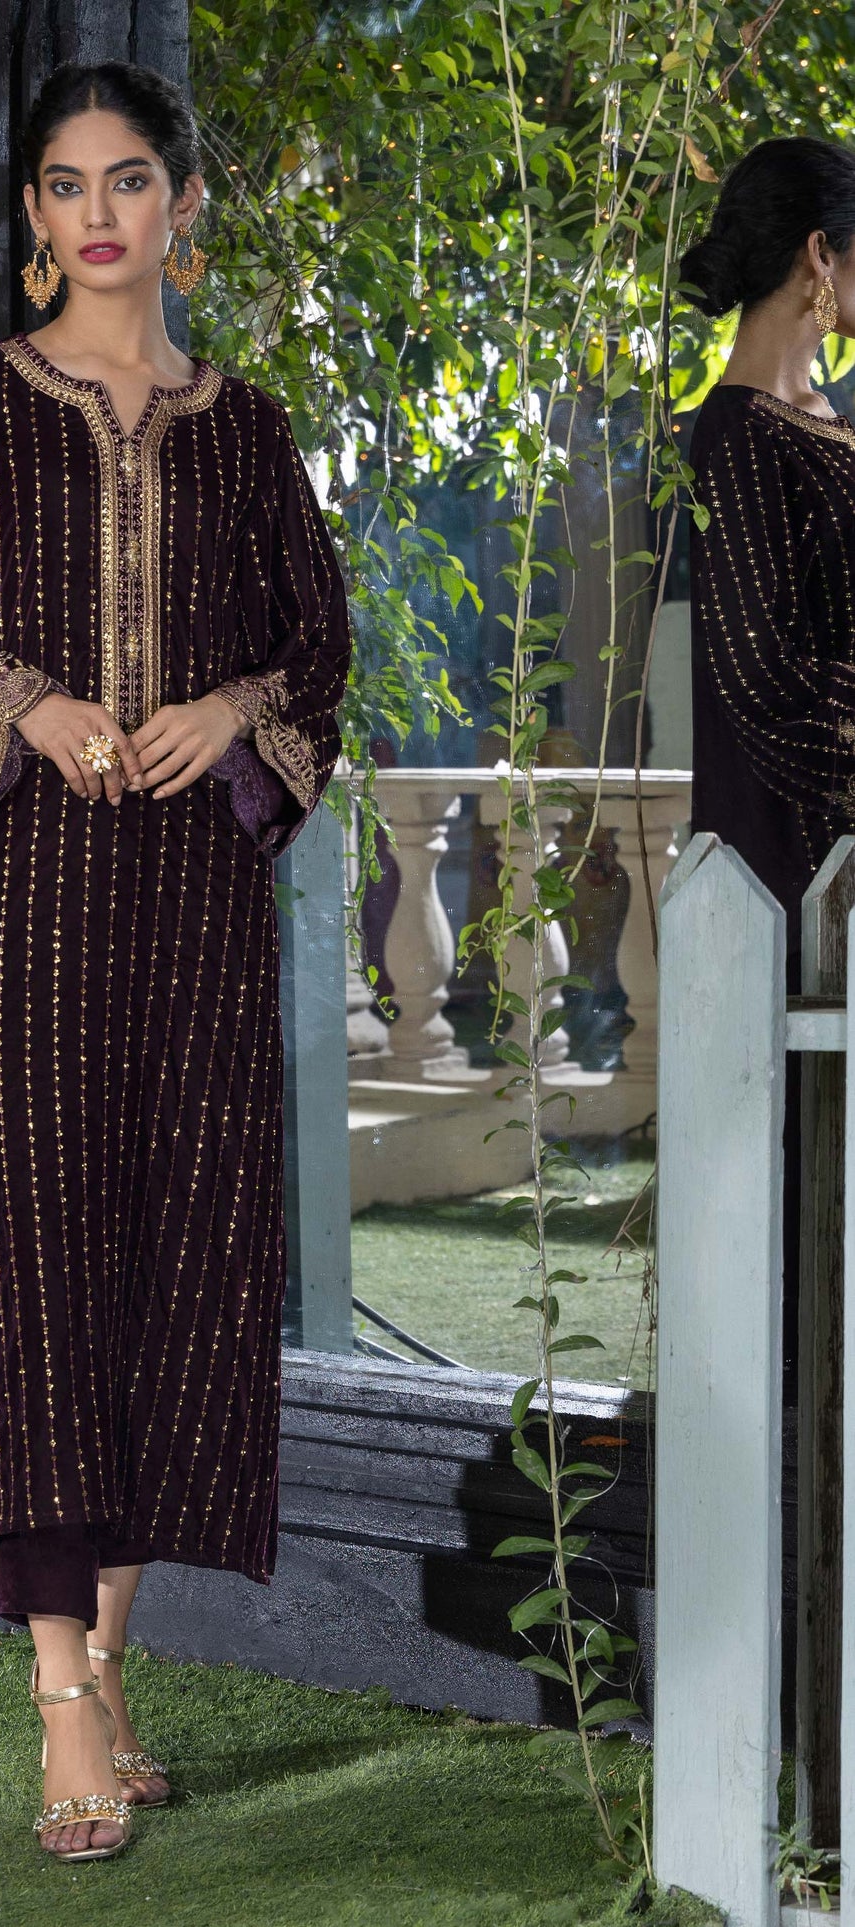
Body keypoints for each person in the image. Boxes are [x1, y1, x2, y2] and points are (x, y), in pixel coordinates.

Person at [0, 60, 352, 1861]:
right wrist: (30, 703)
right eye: (67, 183)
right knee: (36, 1260)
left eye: (131, 179)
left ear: (181, 204)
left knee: (172, 1263)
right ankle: (59, 1692)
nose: (100, 212)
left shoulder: (248, 430)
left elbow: (315, 649)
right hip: (24, 901)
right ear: (38, 214)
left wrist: (230, 709)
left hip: (193, 907)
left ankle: (113, 1663)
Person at [680, 135, 855, 1391]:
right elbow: (759, 680)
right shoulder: (736, 437)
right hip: (785, 852)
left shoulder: (826, 420)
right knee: (798, 1179)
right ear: (816, 257)